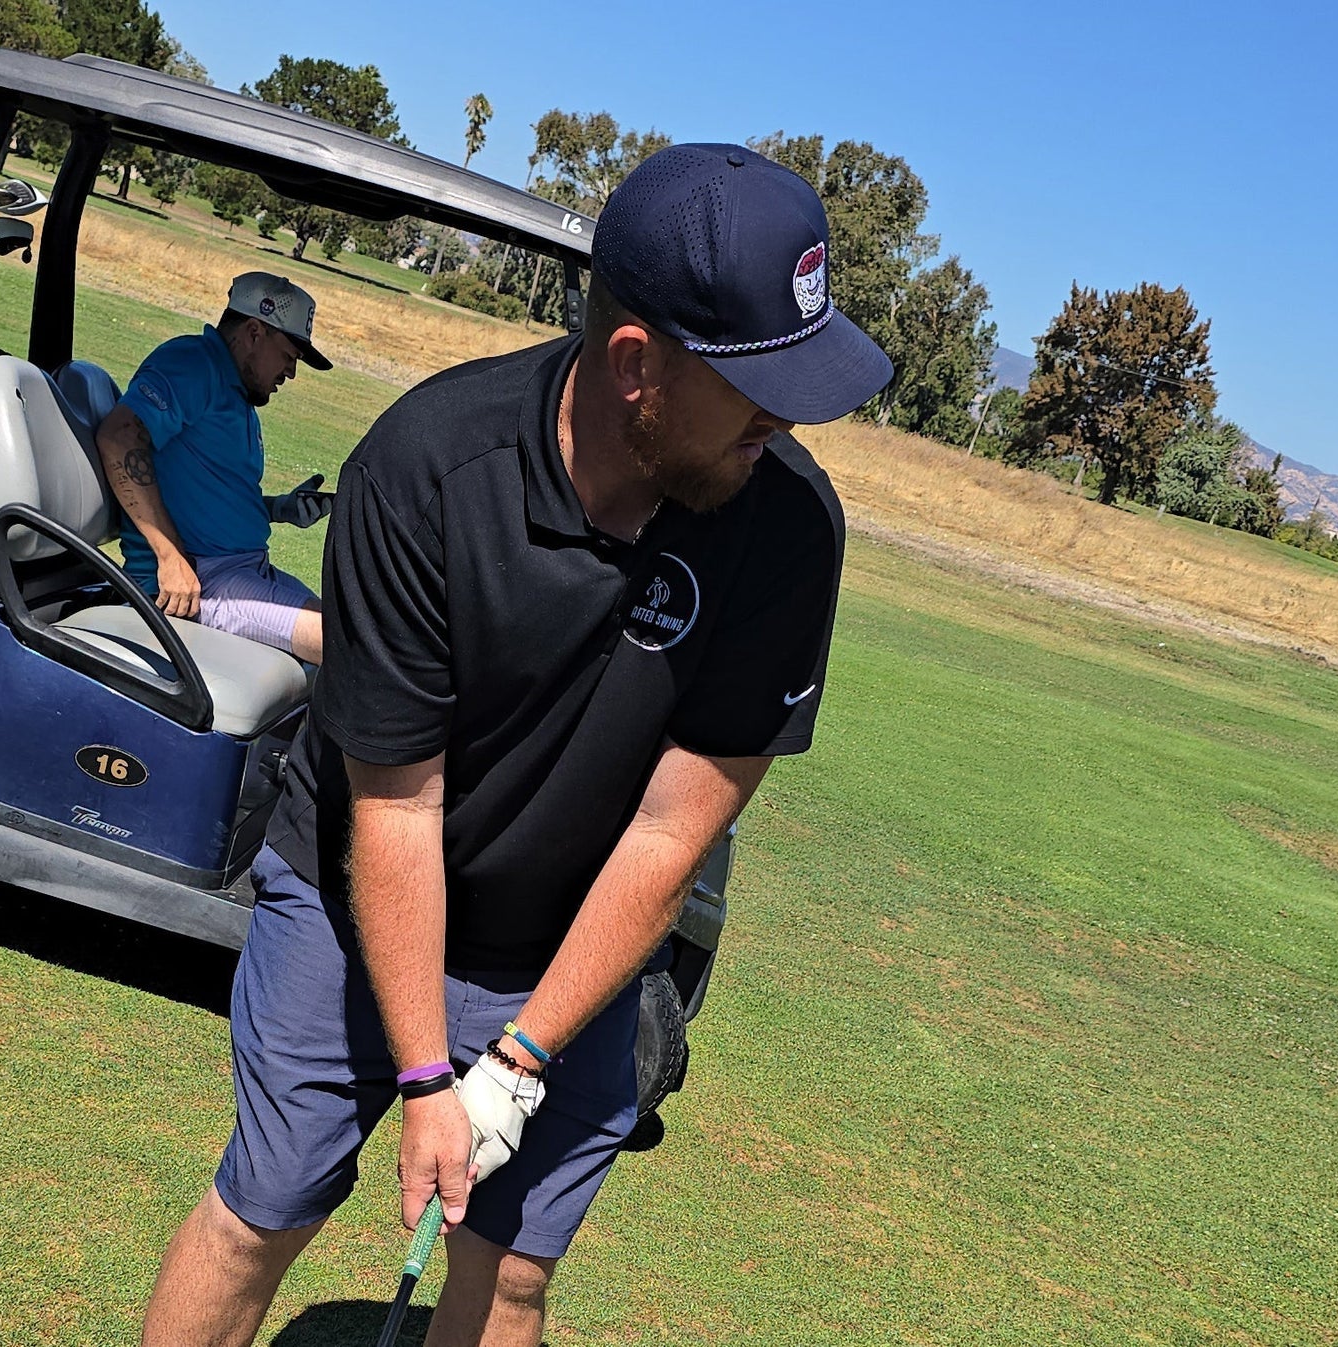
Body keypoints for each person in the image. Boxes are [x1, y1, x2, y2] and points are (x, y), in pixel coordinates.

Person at [140, 144, 895, 1347]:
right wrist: (433, 1077)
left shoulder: (787, 523)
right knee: (263, 1210)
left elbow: (672, 831)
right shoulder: (429, 473)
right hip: (357, 893)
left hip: (575, 937)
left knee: (512, 1275)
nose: (789, 417)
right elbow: (395, 814)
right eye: (758, 380)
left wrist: (518, 1058)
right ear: (636, 364)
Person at [96, 272, 336, 664]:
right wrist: (171, 557)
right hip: (202, 579)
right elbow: (119, 436)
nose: (291, 373)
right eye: (289, 356)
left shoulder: (237, 394)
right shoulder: (193, 364)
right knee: (350, 648)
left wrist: (278, 508)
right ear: (255, 332)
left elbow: (208, 488)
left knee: (356, 631)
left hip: (243, 570)